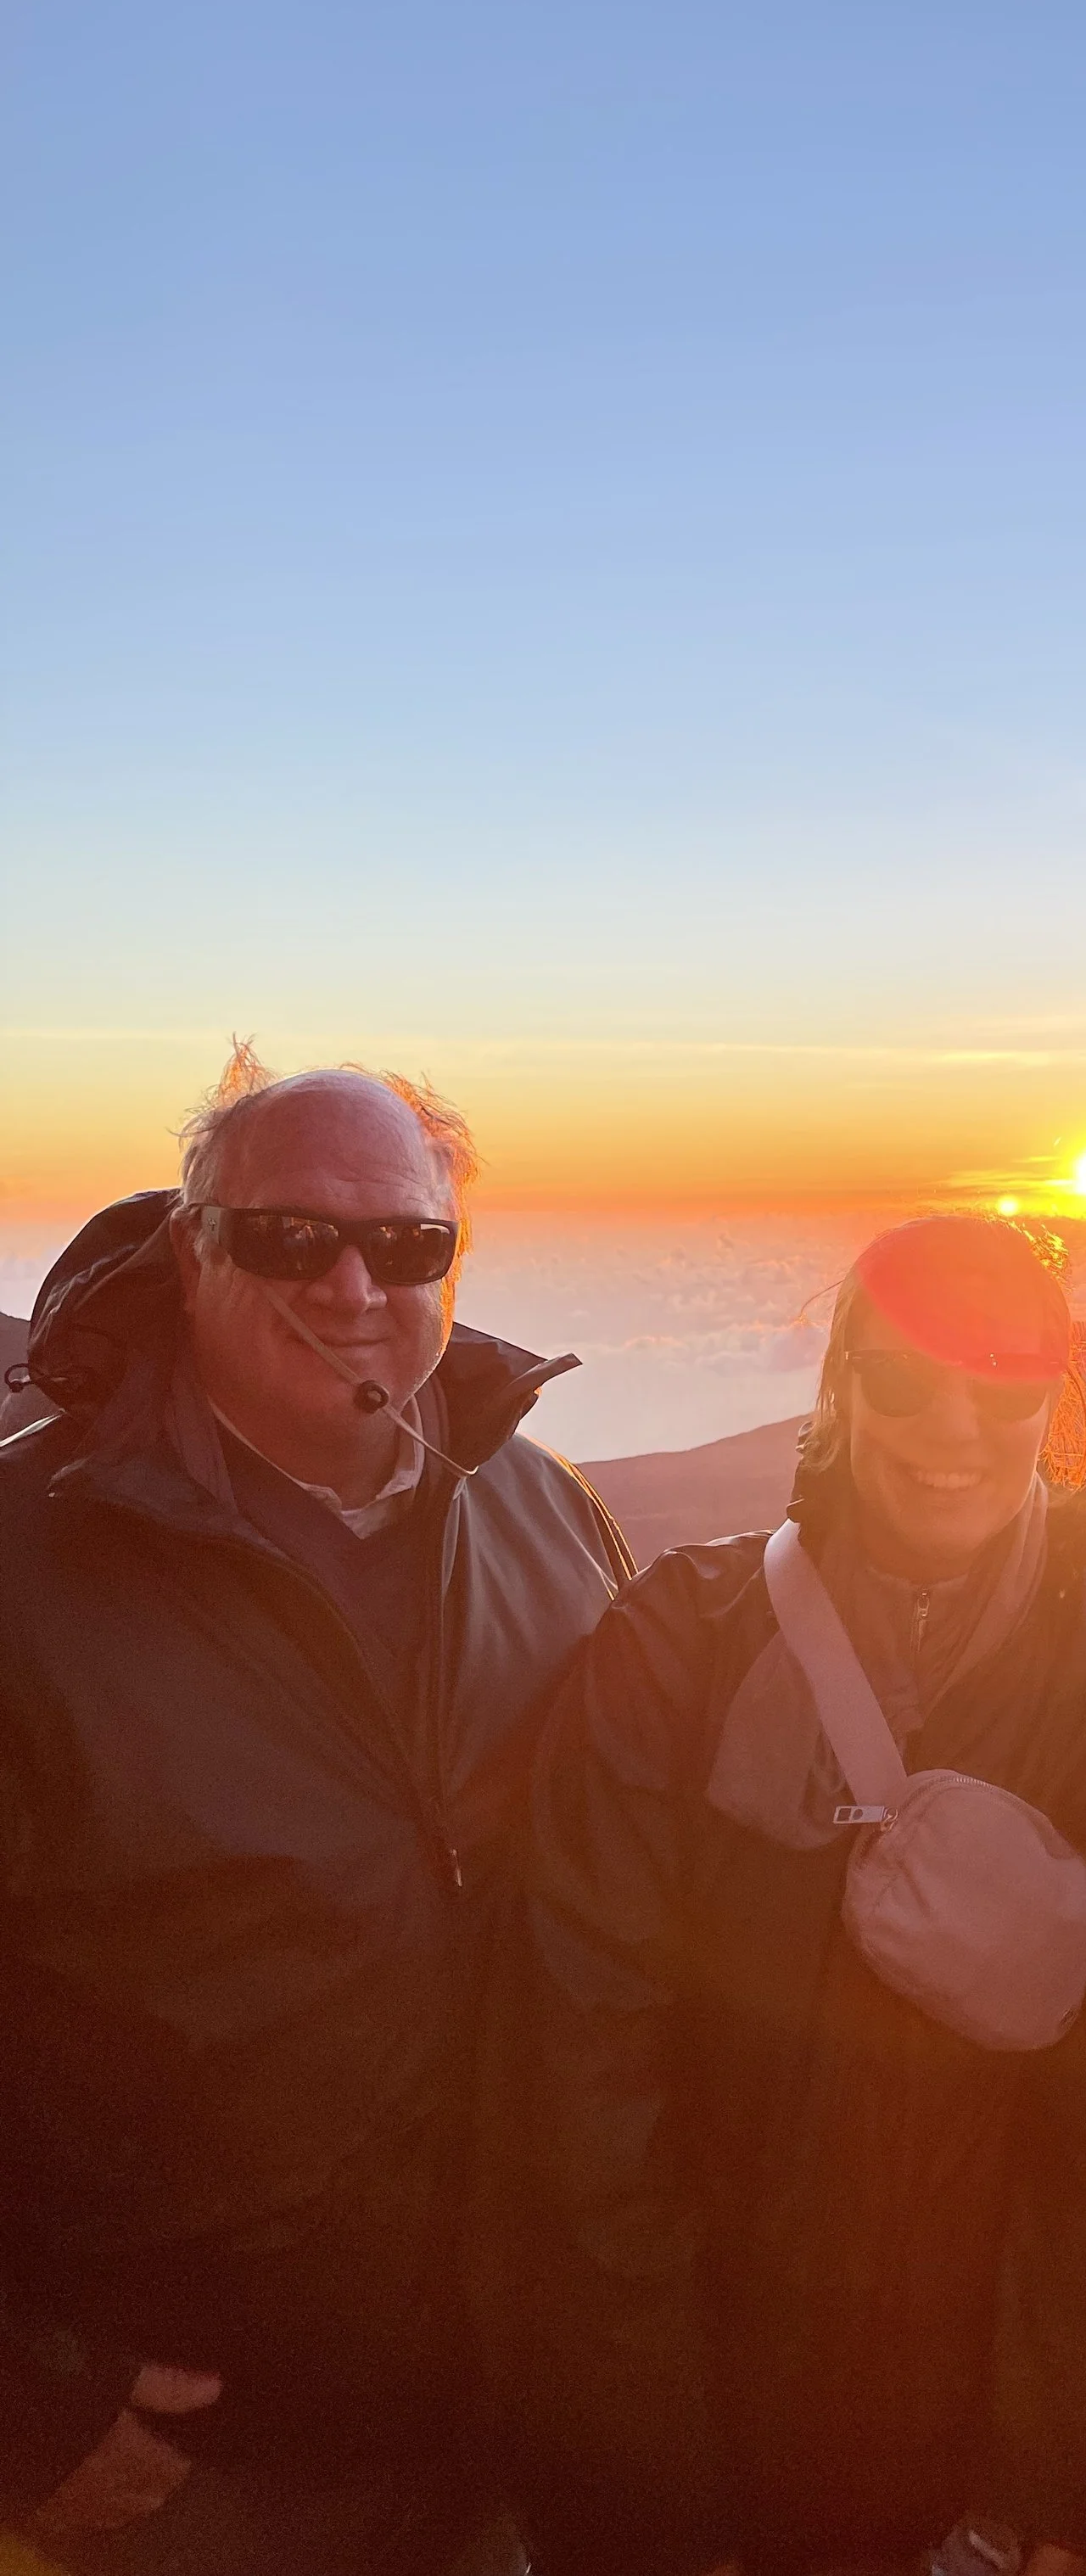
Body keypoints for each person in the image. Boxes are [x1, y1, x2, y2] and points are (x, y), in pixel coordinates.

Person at [490, 1212, 1086, 2576]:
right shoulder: (677, 1647)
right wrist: (660, 2511)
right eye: (904, 1377)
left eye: (1005, 1379)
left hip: (986, 2460)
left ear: (1052, 1400)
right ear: (839, 1386)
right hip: (708, 2439)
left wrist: (1044, 2500)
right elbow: (590, 2093)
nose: (954, 1421)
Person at [0, 1048, 629, 2576]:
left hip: (497, 2416)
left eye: (408, 1246)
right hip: (187, 2462)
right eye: (291, 1238)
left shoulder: (544, 1517)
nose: (355, 1285)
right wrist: (31, 2400)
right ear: (191, 1250)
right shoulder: (31, 1563)